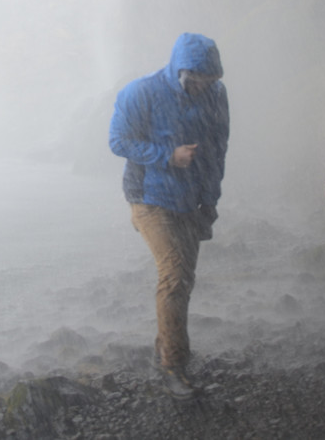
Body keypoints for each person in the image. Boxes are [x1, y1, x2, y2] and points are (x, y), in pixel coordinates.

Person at [109, 33, 229, 399]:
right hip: (148, 196)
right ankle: (173, 367)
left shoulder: (217, 95)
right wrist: (168, 155)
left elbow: (217, 148)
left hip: (191, 200)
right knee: (175, 276)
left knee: (183, 280)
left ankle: (164, 349)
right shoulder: (141, 93)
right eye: (194, 81)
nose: (200, 88)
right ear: (180, 70)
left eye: (207, 82)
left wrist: (210, 201)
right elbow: (118, 141)